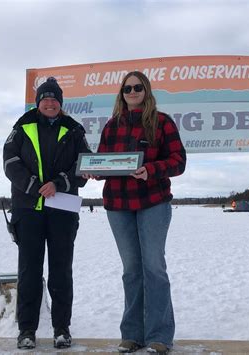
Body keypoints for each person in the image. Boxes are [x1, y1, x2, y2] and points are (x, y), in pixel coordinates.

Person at [94, 71, 186, 354]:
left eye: (137, 87)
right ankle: (132, 334)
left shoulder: (161, 123)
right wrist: (92, 170)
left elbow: (178, 161)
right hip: (118, 207)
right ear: (121, 93)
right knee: (131, 271)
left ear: (146, 90)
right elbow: (102, 162)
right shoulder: (112, 126)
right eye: (127, 88)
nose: (132, 92)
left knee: (154, 269)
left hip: (153, 204)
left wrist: (152, 170)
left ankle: (159, 336)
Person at [3, 77, 91, 350]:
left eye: (54, 99)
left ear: (60, 103)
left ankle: (61, 329)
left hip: (62, 211)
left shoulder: (74, 130)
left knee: (61, 271)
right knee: (29, 271)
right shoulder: (21, 127)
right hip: (28, 210)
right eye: (45, 98)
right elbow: (10, 162)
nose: (50, 103)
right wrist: (33, 186)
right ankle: (27, 330)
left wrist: (59, 184)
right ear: (38, 102)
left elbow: (83, 166)